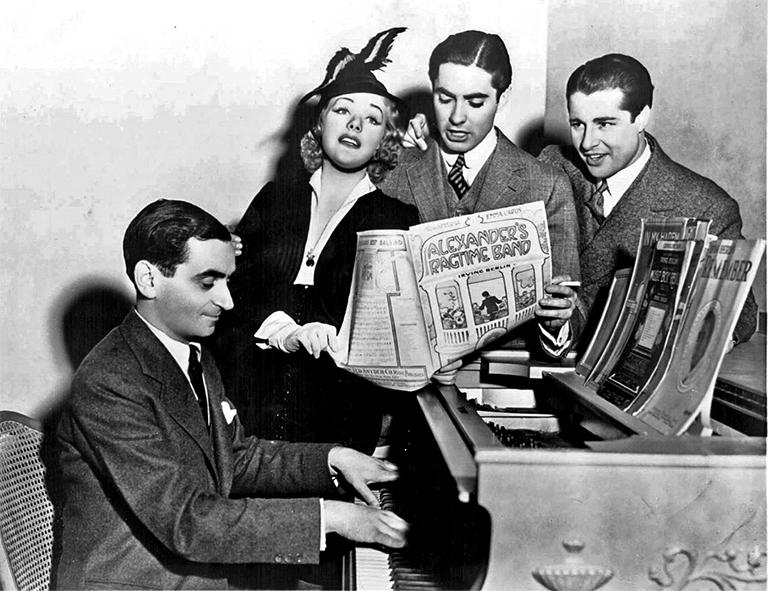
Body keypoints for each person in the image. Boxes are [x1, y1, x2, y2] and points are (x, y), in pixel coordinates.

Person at [52, 199, 408, 590]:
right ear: (149, 279)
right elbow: (187, 522)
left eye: (227, 281)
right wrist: (332, 517)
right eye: (208, 283)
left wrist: (333, 458)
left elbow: (235, 458)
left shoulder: (191, 351)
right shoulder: (109, 381)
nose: (228, 301)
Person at [211, 28, 419, 454]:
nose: (357, 125)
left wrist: (338, 333)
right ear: (321, 121)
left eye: (374, 119)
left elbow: (394, 333)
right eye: (343, 111)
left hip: (339, 422)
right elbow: (233, 287)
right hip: (251, 412)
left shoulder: (397, 219)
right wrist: (280, 329)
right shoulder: (274, 199)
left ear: (385, 139)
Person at [379, 29, 581, 363]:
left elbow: (572, 310)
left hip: (502, 383)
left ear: (503, 97)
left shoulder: (547, 185)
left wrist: (558, 321)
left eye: (476, 102)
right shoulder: (391, 172)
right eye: (445, 98)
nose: (457, 117)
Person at [538, 53, 758, 346]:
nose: (587, 142)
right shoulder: (551, 167)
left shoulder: (705, 205)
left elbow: (740, 314)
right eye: (578, 124)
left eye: (604, 124)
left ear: (641, 118)